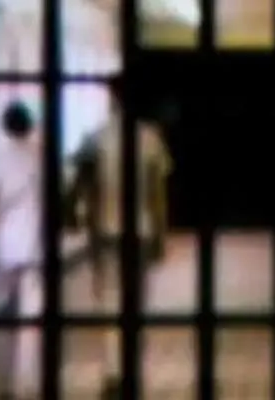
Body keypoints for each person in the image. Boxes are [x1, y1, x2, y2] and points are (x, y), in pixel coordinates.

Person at [65, 85, 172, 397]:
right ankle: (131, 369)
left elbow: (81, 186)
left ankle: (114, 372)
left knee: (111, 302)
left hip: (107, 231)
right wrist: (161, 233)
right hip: (141, 232)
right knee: (137, 302)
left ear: (112, 100)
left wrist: (81, 219)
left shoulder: (96, 138)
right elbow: (157, 193)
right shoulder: (150, 138)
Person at [0, 100, 43, 399]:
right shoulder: (38, 157)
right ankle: (25, 382)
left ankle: (2, 382)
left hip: (4, 243)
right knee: (29, 316)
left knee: (3, 314)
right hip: (32, 243)